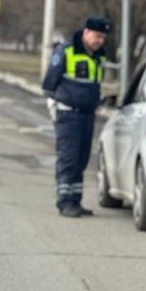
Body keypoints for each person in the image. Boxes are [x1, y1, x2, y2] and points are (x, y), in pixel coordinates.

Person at [42, 15, 112, 218]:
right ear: (87, 32)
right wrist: (55, 106)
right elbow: (49, 83)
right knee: (68, 159)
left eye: (103, 38)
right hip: (68, 114)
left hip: (88, 115)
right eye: (98, 36)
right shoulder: (67, 51)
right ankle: (64, 202)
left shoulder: (99, 56)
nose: (100, 41)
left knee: (81, 160)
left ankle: (76, 200)